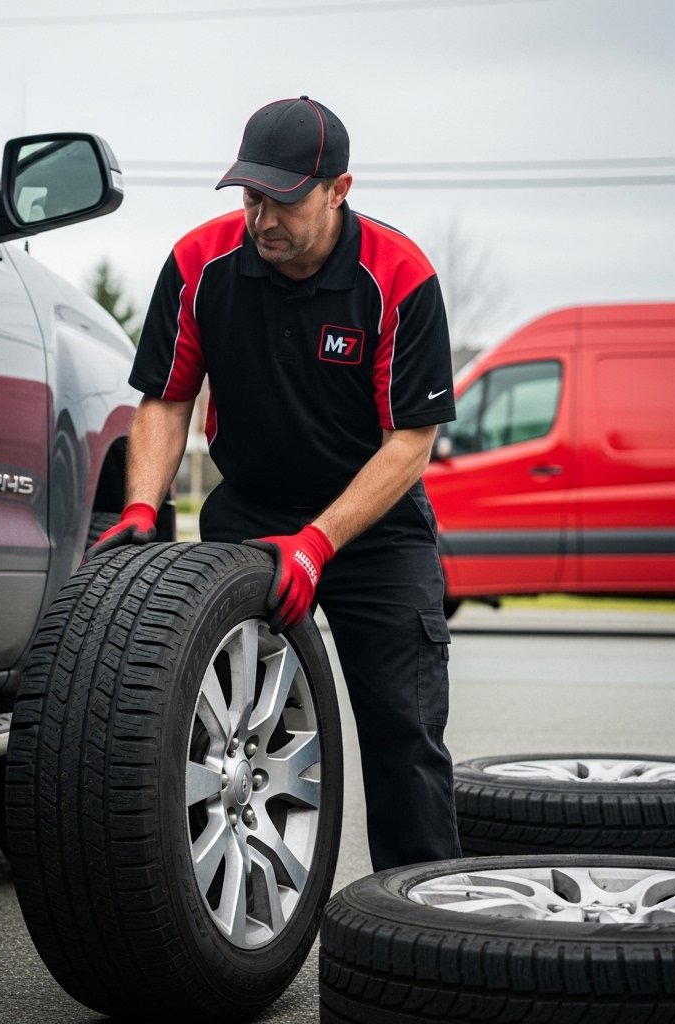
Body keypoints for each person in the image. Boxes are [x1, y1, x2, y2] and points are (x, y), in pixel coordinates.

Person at [87, 96, 462, 870]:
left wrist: (319, 543)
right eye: (251, 197)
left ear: (338, 190)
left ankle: (421, 915)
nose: (262, 219)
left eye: (284, 201)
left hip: (374, 529)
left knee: (404, 734)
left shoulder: (400, 276)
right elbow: (166, 399)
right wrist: (140, 505)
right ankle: (237, 890)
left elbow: (410, 444)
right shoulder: (200, 264)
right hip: (251, 516)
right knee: (227, 728)